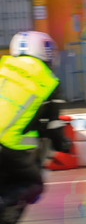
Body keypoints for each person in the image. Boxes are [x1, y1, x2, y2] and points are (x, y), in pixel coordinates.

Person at [0, 32, 70, 208]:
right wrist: (63, 145)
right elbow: (53, 126)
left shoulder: (3, 68)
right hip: (7, 142)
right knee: (34, 184)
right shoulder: (48, 81)